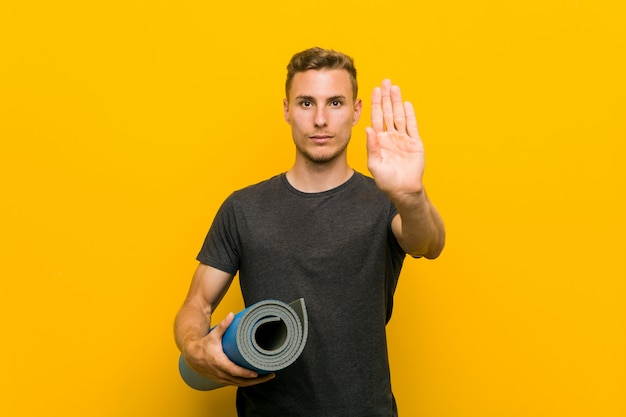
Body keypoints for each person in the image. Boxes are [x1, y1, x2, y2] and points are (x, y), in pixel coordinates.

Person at [174, 47, 445, 416]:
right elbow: (197, 304)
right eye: (306, 103)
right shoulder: (243, 208)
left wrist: (411, 195)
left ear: (356, 111)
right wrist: (193, 346)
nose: (320, 119)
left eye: (335, 103)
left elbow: (427, 243)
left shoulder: (386, 203)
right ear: (286, 109)